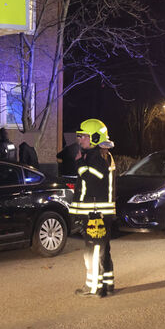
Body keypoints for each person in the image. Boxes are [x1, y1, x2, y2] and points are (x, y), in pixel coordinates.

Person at [70, 119, 116, 298]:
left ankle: (94, 287)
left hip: (95, 212)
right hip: (99, 211)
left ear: (95, 138)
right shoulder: (99, 156)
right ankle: (107, 284)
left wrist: (80, 163)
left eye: (83, 136)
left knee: (93, 250)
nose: (79, 140)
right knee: (103, 249)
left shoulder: (96, 157)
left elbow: (91, 180)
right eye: (79, 136)